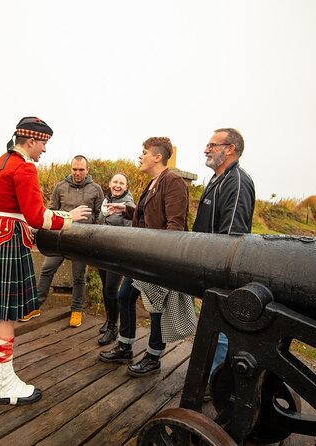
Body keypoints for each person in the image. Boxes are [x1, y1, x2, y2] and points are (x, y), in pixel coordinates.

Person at [0, 117, 91, 406]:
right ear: (31, 141)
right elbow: (37, 217)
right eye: (43, 144)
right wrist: (69, 217)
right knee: (3, 315)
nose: (44, 151)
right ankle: (4, 383)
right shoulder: (23, 166)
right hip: (6, 242)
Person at [99, 137, 188, 377]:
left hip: (157, 257)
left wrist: (162, 259)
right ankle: (125, 345)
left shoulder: (173, 181)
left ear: (158, 157)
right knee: (125, 295)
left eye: (144, 152)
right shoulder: (154, 182)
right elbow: (149, 215)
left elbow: (175, 225)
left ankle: (153, 356)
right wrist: (126, 209)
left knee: (155, 307)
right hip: (142, 256)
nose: (140, 156)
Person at [192, 127, 255, 395]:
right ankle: (209, 375)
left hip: (222, 270)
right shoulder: (216, 179)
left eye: (212, 144)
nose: (206, 149)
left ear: (230, 149)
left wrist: (217, 271)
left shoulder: (237, 181)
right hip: (208, 267)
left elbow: (232, 236)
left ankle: (215, 382)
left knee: (222, 331)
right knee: (212, 327)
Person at [20, 155, 104, 327]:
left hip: (82, 242)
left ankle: (76, 310)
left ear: (87, 170)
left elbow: (99, 216)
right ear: (71, 168)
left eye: (81, 169)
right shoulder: (60, 187)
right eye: (75, 169)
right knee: (46, 269)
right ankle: (35, 305)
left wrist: (93, 238)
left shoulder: (96, 189)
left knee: (79, 277)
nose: (78, 172)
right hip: (60, 239)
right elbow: (51, 211)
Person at [96, 173, 135, 345]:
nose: (118, 185)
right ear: (110, 184)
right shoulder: (106, 202)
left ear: (126, 187)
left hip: (116, 255)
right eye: (115, 182)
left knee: (112, 289)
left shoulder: (128, 206)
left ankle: (113, 327)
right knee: (106, 288)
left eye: (121, 183)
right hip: (101, 253)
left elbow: (129, 233)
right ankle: (109, 319)